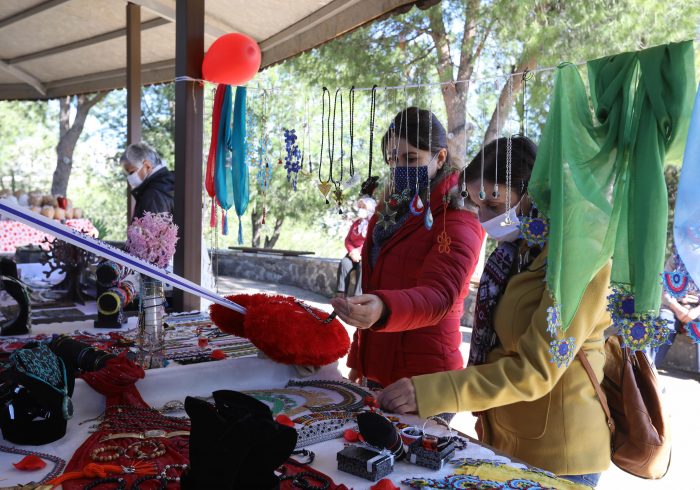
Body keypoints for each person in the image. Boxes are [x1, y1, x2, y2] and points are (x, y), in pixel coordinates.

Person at [376, 136, 611, 487]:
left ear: (532, 191)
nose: (485, 216)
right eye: (477, 204)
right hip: (504, 437)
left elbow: (535, 370)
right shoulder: (517, 250)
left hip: (559, 453)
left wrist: (430, 391)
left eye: (494, 202)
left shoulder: (579, 256)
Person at [331, 107, 485, 389]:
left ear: (440, 157)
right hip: (378, 370)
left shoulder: (457, 214)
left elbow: (440, 295)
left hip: (424, 382)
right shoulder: (392, 207)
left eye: (411, 158)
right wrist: (359, 360)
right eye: (393, 159)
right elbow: (376, 285)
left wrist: (384, 309)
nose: (399, 167)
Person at [647, 251, 700, 369]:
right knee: (664, 323)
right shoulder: (676, 258)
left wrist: (694, 312)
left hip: (696, 310)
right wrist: (678, 308)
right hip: (673, 306)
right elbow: (663, 288)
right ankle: (648, 370)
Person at [120, 143, 175, 220]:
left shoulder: (153, 195)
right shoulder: (168, 183)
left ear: (147, 166)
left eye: (132, 172)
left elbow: (153, 227)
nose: (129, 177)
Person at [336, 196, 376, 298]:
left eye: (364, 207)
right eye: (360, 207)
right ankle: (341, 294)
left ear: (370, 209)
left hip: (365, 253)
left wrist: (358, 251)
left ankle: (358, 297)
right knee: (344, 263)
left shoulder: (373, 224)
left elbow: (370, 241)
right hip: (353, 253)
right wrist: (352, 251)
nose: (361, 209)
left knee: (363, 267)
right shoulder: (356, 223)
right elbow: (347, 239)